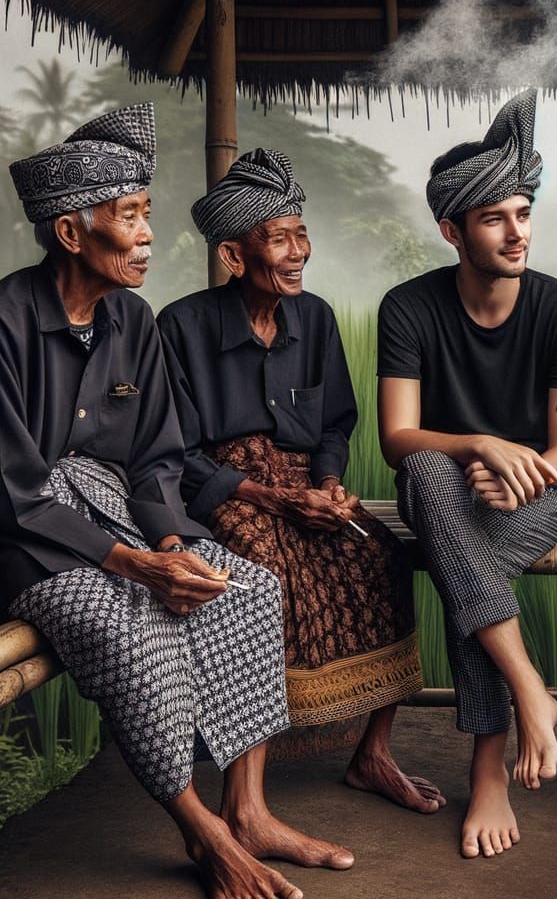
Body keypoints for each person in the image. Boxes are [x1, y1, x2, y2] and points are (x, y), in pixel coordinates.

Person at [1, 105, 350, 899]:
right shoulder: (5, 321)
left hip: (121, 516)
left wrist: (166, 547)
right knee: (134, 634)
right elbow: (15, 492)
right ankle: (205, 833)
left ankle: (251, 809)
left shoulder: (132, 319)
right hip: (28, 538)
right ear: (70, 234)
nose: (148, 236)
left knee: (249, 591)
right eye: (129, 218)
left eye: (147, 216)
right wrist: (128, 564)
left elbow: (156, 461)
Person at [158, 147, 441, 820]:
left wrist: (330, 483)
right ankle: (245, 795)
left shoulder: (314, 318)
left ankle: (372, 753)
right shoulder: (182, 326)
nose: (298, 251)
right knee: (265, 571)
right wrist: (272, 497)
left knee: (381, 555)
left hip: (305, 485)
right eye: (278, 237)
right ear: (233, 255)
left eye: (301, 233)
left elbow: (335, 424)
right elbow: (176, 452)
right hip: (229, 492)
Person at [376, 90, 557, 859]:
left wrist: (522, 476)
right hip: (447, 486)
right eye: (496, 218)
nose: (518, 232)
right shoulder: (407, 307)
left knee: (460, 558)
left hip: (536, 498)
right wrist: (478, 445)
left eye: (524, 213)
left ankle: (491, 764)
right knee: (435, 474)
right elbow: (398, 438)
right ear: (453, 229)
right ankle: (529, 695)